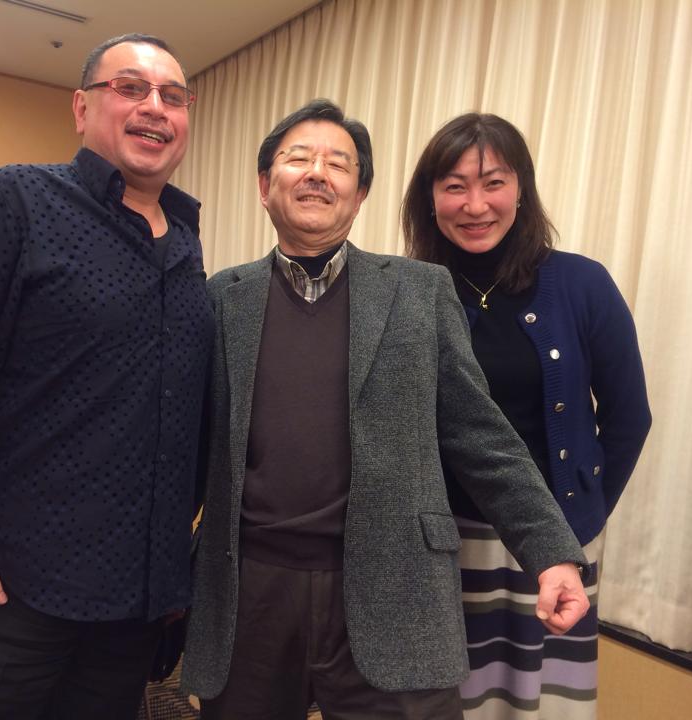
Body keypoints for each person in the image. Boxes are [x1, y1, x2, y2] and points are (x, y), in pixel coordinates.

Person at [181, 99, 591, 720]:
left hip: (396, 587)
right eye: (298, 158)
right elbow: (187, 448)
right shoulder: (221, 299)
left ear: (360, 193)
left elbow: (481, 437)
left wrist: (551, 552)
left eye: (338, 163)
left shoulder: (420, 292)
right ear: (265, 186)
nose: (317, 173)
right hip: (250, 594)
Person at [0, 33, 212, 719]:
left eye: (173, 96)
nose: (155, 106)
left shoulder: (185, 241)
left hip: (129, 607)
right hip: (5, 588)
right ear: (82, 108)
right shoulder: (11, 200)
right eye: (130, 88)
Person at [401, 113, 651, 719]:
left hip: (554, 544)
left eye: (494, 183)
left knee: (543, 702)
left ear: (522, 190)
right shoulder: (407, 291)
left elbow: (628, 418)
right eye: (455, 186)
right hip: (445, 544)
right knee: (448, 698)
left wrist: (582, 514)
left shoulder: (583, 284)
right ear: (429, 199)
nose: (475, 205)